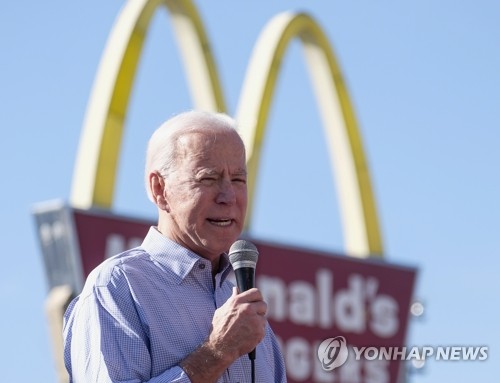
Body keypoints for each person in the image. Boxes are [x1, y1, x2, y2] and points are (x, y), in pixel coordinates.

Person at [63, 110, 287, 382]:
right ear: (159, 189)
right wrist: (217, 352)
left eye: (238, 179)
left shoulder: (250, 316)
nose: (229, 196)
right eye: (208, 178)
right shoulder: (118, 287)